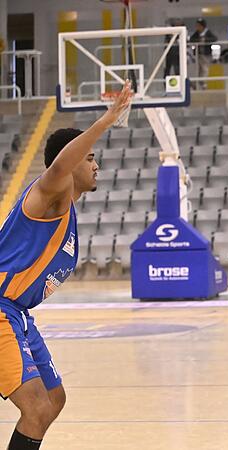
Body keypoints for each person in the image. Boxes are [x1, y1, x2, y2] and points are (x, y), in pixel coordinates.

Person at [0, 83, 133, 450]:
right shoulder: (47, 196)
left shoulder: (65, 210)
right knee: (37, 407)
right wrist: (105, 121)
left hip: (18, 313)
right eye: (89, 157)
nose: (96, 165)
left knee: (54, 400)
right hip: (0, 308)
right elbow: (60, 164)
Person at [189, 18, 218, 90]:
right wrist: (199, 40)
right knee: (199, 69)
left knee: (204, 69)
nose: (197, 27)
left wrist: (205, 40)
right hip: (199, 54)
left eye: (198, 26)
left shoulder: (207, 32)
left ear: (202, 26)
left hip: (206, 54)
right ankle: (199, 83)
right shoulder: (197, 33)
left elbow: (214, 38)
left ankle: (202, 82)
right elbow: (191, 39)